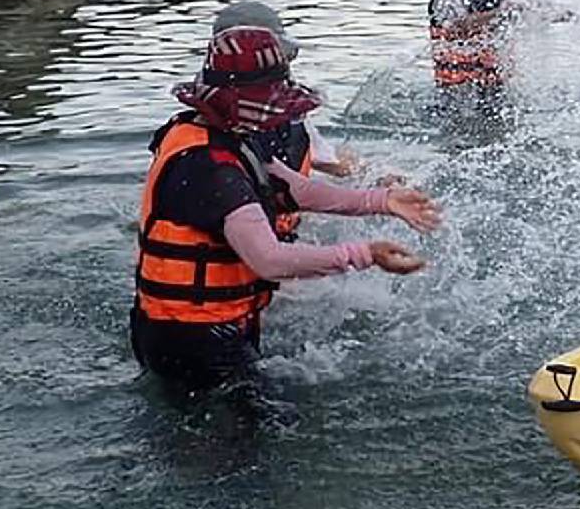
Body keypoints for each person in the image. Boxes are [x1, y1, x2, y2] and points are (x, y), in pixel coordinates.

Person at [131, 24, 441, 395]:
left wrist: (381, 202)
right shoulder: (211, 168)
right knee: (248, 440)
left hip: (191, 327)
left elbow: (296, 189)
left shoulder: (219, 135)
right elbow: (269, 260)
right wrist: (365, 254)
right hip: (195, 340)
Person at [211, 3, 356, 247]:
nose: (286, 66)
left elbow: (331, 165)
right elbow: (338, 169)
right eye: (280, 57)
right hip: (266, 255)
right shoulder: (271, 118)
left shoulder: (201, 120)